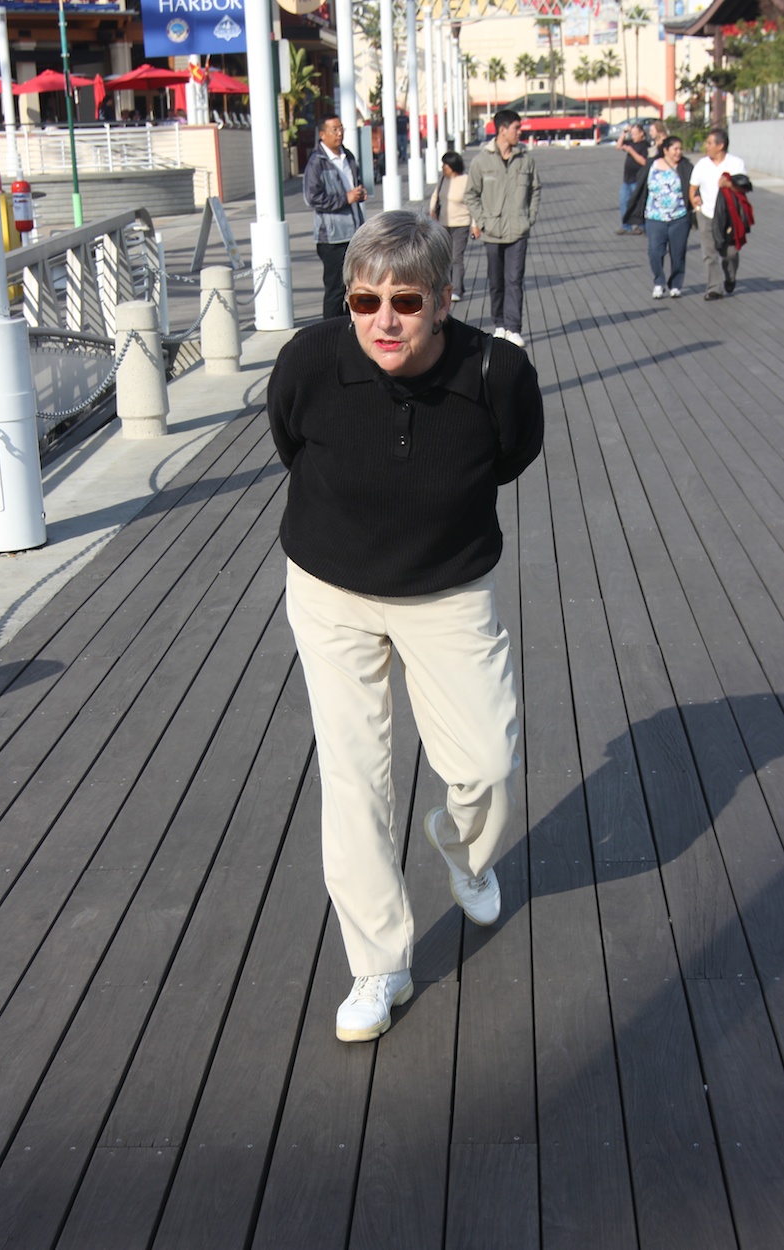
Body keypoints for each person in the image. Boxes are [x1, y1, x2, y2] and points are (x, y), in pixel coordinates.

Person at [267, 211, 544, 1043]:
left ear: (444, 300)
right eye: (363, 300)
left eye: (405, 300)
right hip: (329, 589)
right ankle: (377, 964)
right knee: (354, 779)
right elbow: (290, 441)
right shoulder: (309, 363)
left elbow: (510, 454)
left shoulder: (497, 370)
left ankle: (461, 849)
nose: (382, 320)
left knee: (488, 765)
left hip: (448, 592)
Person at [464, 108, 541, 349]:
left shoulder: (525, 159)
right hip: (492, 232)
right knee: (496, 281)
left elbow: (535, 190)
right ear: (502, 130)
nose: (520, 132)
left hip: (518, 230)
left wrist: (529, 217)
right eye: (516, 128)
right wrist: (482, 220)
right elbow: (471, 194)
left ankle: (514, 327)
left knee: (514, 280)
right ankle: (499, 323)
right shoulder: (481, 161)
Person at [303, 115, 367, 320]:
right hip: (331, 237)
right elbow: (312, 198)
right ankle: (330, 332)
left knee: (355, 285)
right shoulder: (317, 162)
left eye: (341, 128)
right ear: (322, 134)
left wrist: (357, 194)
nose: (339, 133)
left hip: (355, 231)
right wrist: (345, 198)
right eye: (334, 129)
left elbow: (351, 187)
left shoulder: (348, 156)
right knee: (335, 289)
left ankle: (351, 328)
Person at [624, 134, 695, 298]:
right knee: (655, 251)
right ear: (665, 150)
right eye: (675, 149)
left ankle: (676, 284)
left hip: (679, 216)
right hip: (655, 216)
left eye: (680, 149)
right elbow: (642, 186)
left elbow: (693, 187)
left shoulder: (686, 167)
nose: (678, 152)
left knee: (678, 252)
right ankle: (659, 281)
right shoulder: (652, 165)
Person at [689, 127, 747, 301]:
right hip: (706, 213)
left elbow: (744, 187)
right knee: (709, 252)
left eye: (709, 143)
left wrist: (728, 185)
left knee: (730, 253)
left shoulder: (736, 163)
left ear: (720, 145)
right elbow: (693, 187)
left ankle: (730, 275)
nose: (706, 146)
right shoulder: (702, 164)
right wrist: (695, 202)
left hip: (729, 215)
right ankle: (714, 288)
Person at [429, 151, 480, 302]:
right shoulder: (443, 179)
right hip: (443, 224)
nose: (443, 167)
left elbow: (473, 203)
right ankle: (448, 286)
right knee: (445, 257)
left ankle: (457, 289)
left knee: (456, 257)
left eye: (445, 164)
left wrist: (475, 225)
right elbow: (435, 196)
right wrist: (432, 210)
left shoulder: (466, 180)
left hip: (461, 224)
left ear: (453, 166)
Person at [615, 122, 648, 234]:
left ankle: (641, 225)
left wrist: (631, 151)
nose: (633, 136)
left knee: (638, 203)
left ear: (641, 133)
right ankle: (626, 225)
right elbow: (618, 146)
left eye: (635, 134)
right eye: (632, 134)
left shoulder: (645, 145)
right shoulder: (631, 143)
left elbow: (643, 162)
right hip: (627, 179)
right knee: (624, 201)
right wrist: (624, 133)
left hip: (637, 179)